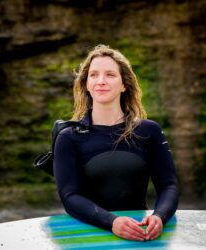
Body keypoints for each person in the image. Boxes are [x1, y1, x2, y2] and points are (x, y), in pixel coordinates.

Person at [53, 44, 179, 241]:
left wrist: (159, 217)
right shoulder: (69, 137)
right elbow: (70, 197)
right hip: (89, 235)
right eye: (93, 75)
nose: (101, 81)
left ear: (124, 84)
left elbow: (169, 185)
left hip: (139, 232)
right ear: (86, 83)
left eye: (110, 75)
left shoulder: (148, 131)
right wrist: (112, 221)